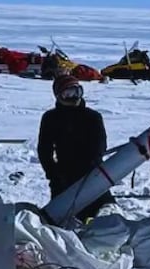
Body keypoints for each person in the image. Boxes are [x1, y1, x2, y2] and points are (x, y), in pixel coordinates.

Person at [37, 74, 114, 222]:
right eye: (68, 93)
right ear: (59, 95)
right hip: (63, 175)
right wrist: (53, 174)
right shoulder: (51, 118)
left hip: (91, 174)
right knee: (60, 217)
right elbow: (44, 150)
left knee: (103, 215)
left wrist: (93, 170)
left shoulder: (93, 117)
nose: (73, 97)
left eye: (76, 91)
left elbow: (99, 147)